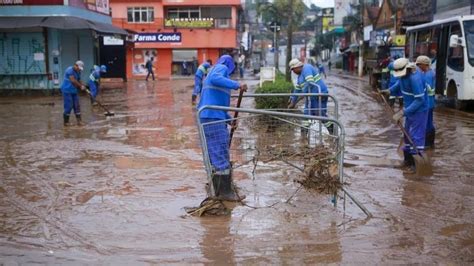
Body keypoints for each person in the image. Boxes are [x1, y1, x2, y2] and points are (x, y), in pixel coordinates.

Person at [197, 54, 247, 201]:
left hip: (213, 116)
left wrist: (229, 120)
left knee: (219, 151)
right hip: (211, 117)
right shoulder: (220, 68)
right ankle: (225, 193)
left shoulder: (215, 71)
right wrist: (237, 85)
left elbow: (219, 107)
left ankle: (219, 188)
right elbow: (215, 79)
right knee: (219, 152)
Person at [386, 58, 429, 173]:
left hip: (419, 110)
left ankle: (416, 167)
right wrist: (389, 91)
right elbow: (399, 84)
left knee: (415, 136)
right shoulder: (403, 75)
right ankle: (408, 162)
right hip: (409, 109)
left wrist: (402, 112)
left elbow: (419, 100)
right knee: (407, 135)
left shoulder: (415, 78)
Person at [287, 58, 333, 134]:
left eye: (293, 69)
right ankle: (303, 138)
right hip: (311, 97)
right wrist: (292, 100)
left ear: (297, 67)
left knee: (319, 113)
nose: (293, 72)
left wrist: (303, 94)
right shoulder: (299, 77)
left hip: (319, 95)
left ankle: (332, 130)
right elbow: (297, 90)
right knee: (306, 115)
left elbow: (310, 82)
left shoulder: (307, 68)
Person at [416, 55, 436, 148]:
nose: (418, 67)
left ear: (424, 65)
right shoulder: (431, 73)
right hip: (431, 102)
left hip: (427, 103)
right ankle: (431, 144)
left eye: (419, 65)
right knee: (430, 122)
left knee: (426, 123)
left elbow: (424, 90)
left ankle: (427, 144)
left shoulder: (427, 75)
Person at [61, 60, 86, 126]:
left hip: (74, 91)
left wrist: (83, 85)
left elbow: (79, 79)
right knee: (69, 106)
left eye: (80, 69)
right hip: (67, 90)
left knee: (77, 105)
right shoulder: (69, 70)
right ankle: (66, 122)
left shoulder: (78, 72)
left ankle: (79, 121)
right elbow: (73, 80)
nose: (79, 69)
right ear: (75, 65)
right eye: (78, 68)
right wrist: (80, 86)